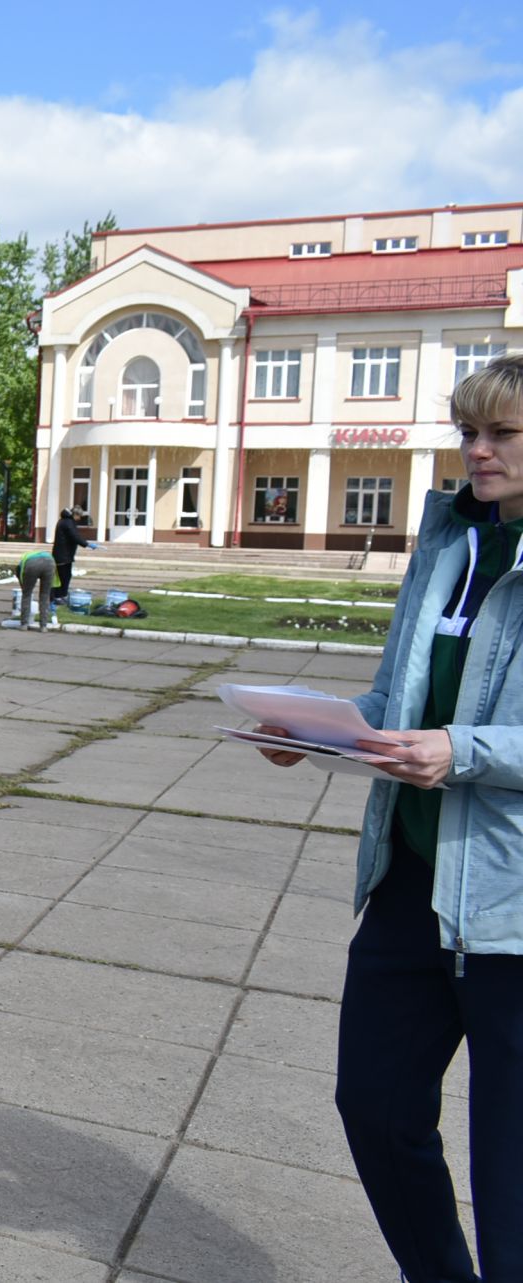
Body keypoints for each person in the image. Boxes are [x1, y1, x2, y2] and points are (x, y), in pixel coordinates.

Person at [254, 352, 523, 1283]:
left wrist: (465, 750)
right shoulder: (450, 537)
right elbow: (398, 694)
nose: (477, 452)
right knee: (374, 1107)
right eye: (468, 433)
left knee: (511, 1179)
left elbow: (462, 735)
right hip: (411, 883)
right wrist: (322, 729)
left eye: (502, 435)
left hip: (511, 909)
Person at [51, 506, 98, 602]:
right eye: (79, 516)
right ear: (75, 514)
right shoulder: (68, 523)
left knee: (64, 576)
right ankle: (58, 596)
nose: (79, 518)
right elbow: (75, 537)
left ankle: (60, 595)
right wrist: (87, 544)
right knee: (64, 576)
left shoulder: (64, 521)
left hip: (63, 555)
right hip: (63, 555)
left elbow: (74, 536)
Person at [15, 548, 57, 631]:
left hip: (32, 564)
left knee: (26, 595)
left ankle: (24, 624)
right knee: (45, 595)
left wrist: (24, 588)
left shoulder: (21, 565)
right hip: (50, 562)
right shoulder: (27, 557)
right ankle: (43, 626)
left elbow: (22, 583)